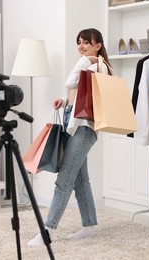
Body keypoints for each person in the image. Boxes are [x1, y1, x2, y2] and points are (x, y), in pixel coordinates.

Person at [28, 28, 111, 246]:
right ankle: (89, 226)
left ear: (98, 45)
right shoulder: (90, 65)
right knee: (80, 180)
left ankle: (47, 231)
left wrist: (87, 60)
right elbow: (79, 93)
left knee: (63, 180)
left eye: (86, 42)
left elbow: (70, 80)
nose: (81, 47)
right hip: (73, 125)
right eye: (79, 43)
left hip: (84, 129)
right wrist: (65, 102)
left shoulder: (98, 66)